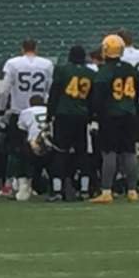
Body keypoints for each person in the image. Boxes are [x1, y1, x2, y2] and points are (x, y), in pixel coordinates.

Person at [0, 39, 55, 199]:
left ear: (22, 48)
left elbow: (4, 89)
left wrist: (1, 109)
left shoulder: (13, 63)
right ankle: (35, 183)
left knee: (15, 151)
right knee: (40, 149)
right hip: (41, 112)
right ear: (36, 48)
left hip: (19, 111)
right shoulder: (46, 64)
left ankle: (11, 184)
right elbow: (50, 89)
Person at [89, 34, 139, 204]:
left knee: (109, 152)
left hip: (110, 115)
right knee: (129, 151)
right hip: (129, 113)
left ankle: (106, 190)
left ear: (105, 50)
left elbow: (98, 99)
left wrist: (95, 117)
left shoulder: (103, 72)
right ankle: (132, 190)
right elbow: (136, 95)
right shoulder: (130, 69)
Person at [47, 45, 94, 202]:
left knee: (60, 153)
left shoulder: (62, 70)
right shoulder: (90, 73)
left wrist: (49, 115)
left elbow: (54, 93)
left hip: (63, 115)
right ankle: (85, 189)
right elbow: (93, 99)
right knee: (82, 153)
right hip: (82, 116)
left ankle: (57, 190)